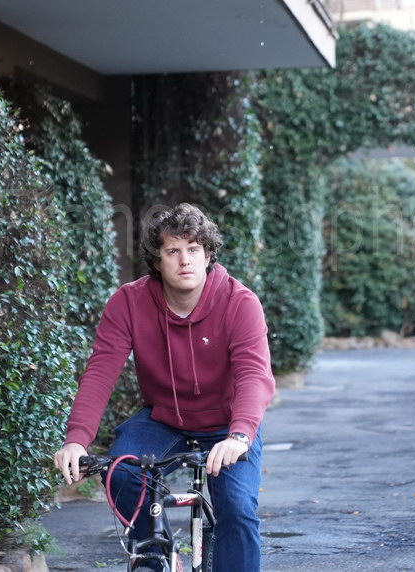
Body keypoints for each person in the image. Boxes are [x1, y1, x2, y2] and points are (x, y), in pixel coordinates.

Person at [54, 203, 275, 571]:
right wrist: (77, 439)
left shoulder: (240, 302)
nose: (184, 260)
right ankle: (157, 558)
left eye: (193, 249)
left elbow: (254, 374)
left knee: (237, 509)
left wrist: (240, 435)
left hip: (227, 424)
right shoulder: (129, 302)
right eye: (173, 251)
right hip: (164, 419)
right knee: (121, 473)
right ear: (157, 261)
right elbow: (100, 372)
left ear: (208, 255)